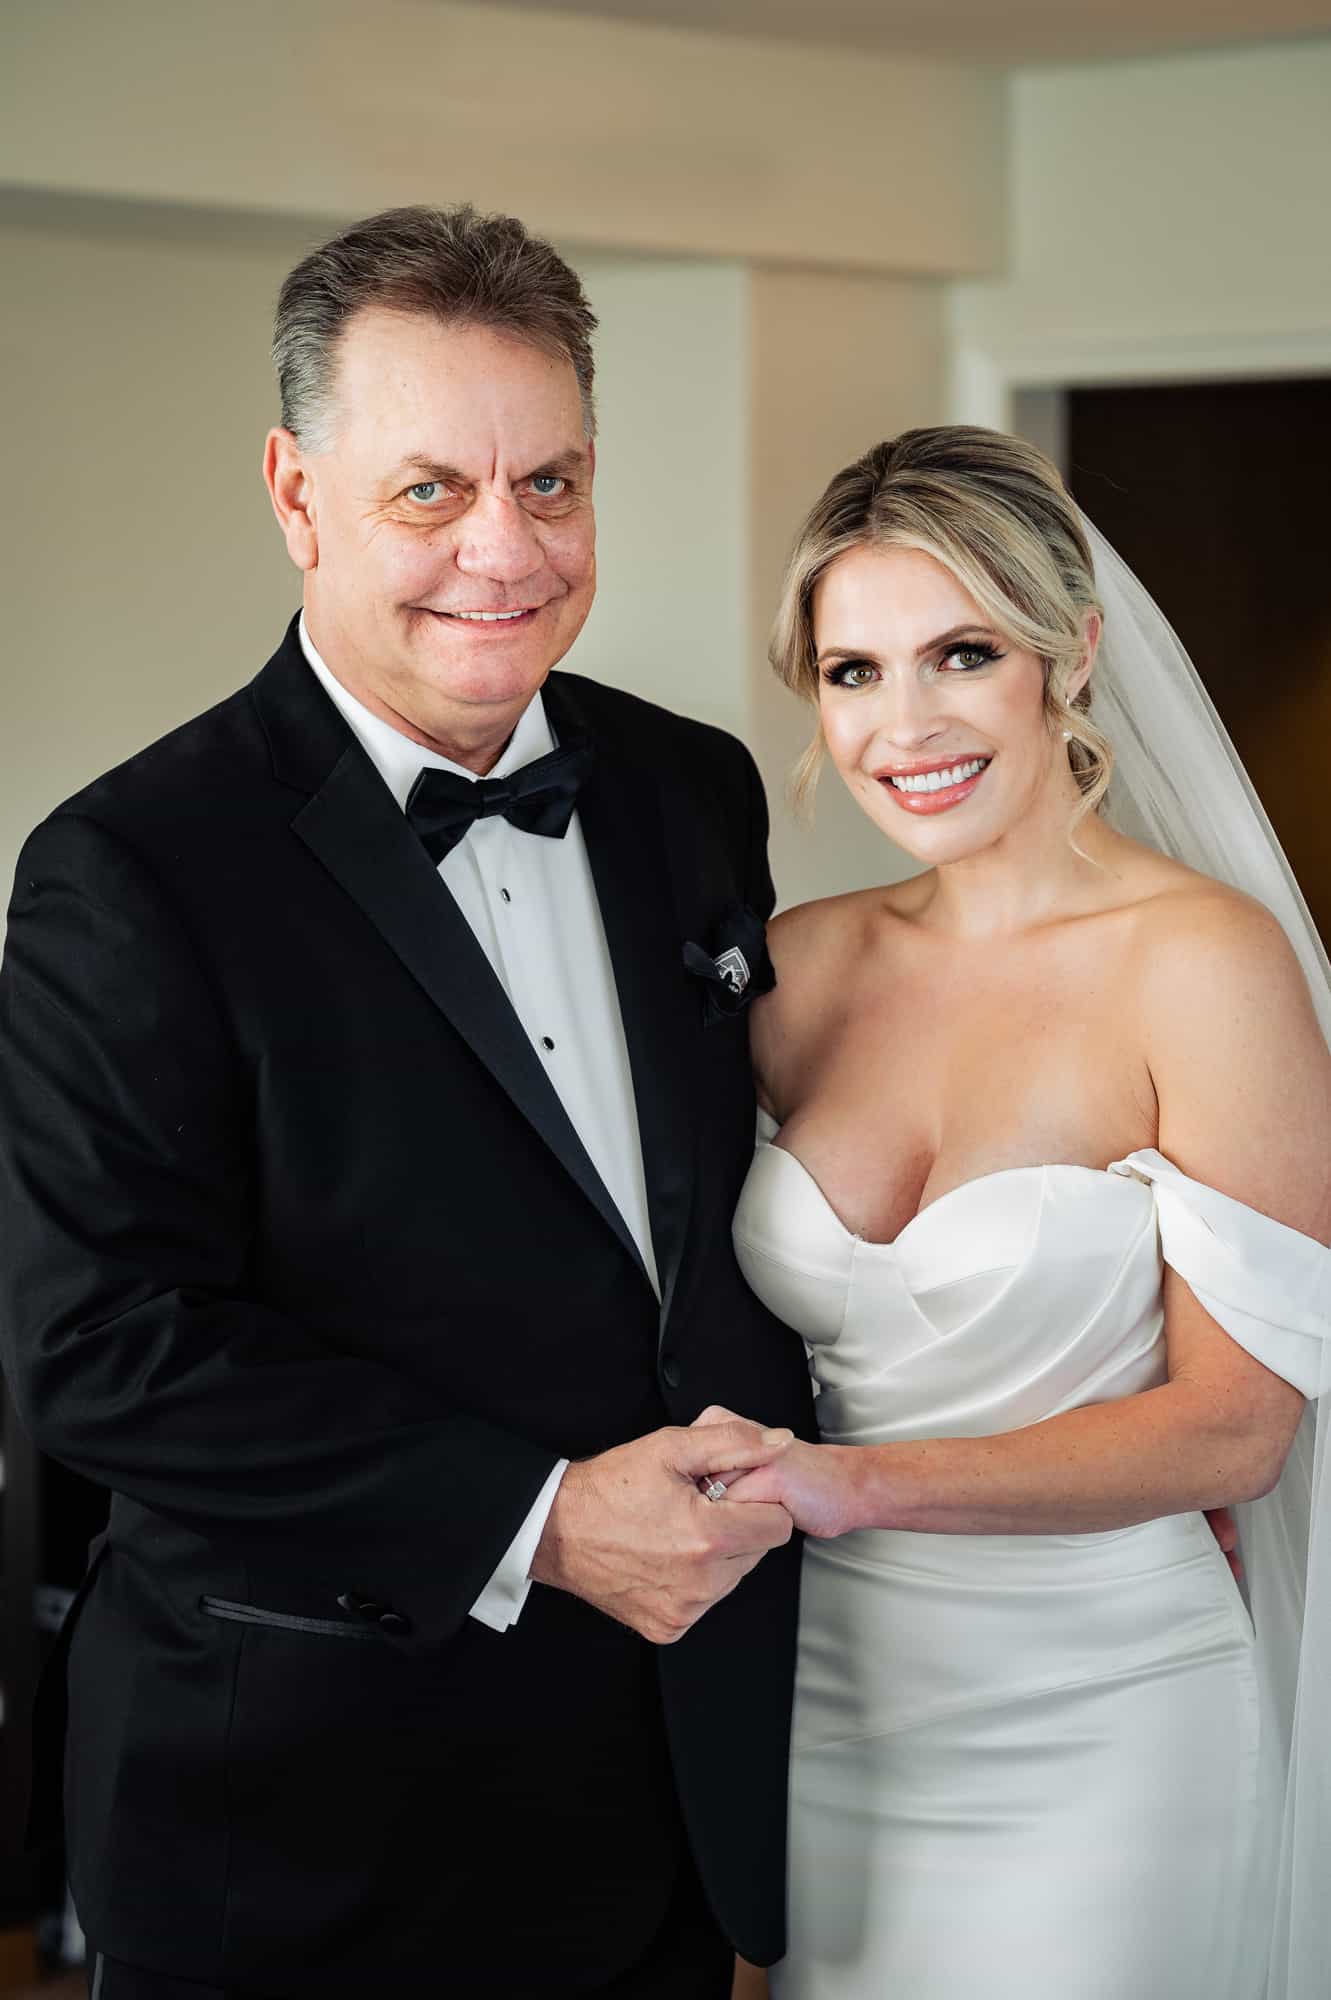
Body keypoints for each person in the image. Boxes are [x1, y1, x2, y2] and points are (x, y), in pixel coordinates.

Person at [0, 205, 816, 1998]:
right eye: (430, 491)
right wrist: (537, 1514)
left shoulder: (692, 790)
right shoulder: (130, 868)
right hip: (301, 1810)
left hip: (659, 1781)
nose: (504, 551)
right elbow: (102, 1346)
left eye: (552, 483)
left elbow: (754, 1207)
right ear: (297, 495)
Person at [711, 428, 1331, 1997]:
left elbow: (1234, 1433)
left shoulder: (1204, 964)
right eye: (853, 672)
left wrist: (855, 1488)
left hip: (1107, 1713)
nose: (902, 724)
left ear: (1071, 656)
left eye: (960, 655)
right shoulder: (795, 969)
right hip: (820, 1715)